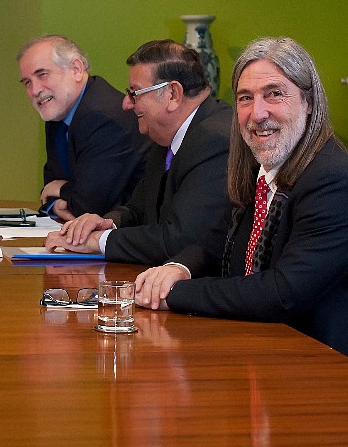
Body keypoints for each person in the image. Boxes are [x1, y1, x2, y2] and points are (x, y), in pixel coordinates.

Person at [135, 37, 348, 355]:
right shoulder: (260, 166)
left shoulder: (333, 178)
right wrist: (179, 268)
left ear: (309, 102)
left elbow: (281, 292)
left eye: (274, 94)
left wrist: (176, 293)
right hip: (259, 349)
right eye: (245, 98)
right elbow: (216, 241)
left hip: (317, 368)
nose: (257, 113)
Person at [45, 39, 232, 264]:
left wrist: (99, 241)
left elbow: (180, 241)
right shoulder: (166, 134)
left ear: (173, 94)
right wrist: (106, 223)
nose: (126, 103)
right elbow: (139, 209)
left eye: (135, 93)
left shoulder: (216, 140)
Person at [18, 34, 149, 220]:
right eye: (27, 82)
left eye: (42, 75)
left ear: (76, 69)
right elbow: (48, 189)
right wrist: (57, 203)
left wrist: (62, 189)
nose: (35, 90)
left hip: (127, 238)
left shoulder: (104, 117)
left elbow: (88, 206)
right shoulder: (59, 111)